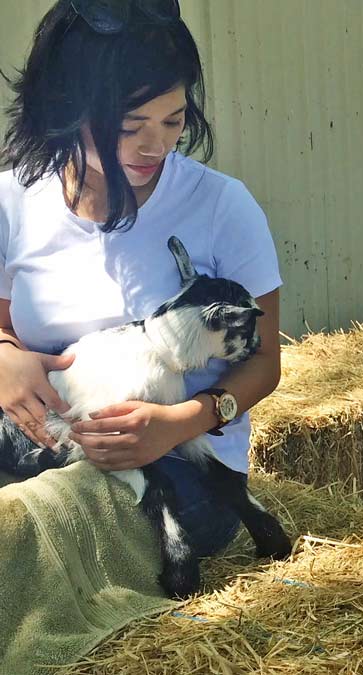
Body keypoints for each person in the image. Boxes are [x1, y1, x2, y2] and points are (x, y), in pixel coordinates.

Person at [0, 0, 282, 557]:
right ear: (67, 107)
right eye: (129, 127)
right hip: (47, 432)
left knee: (42, 530)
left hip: (176, 461)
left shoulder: (222, 206)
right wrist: (4, 353)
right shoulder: (13, 199)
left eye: (173, 121)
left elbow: (266, 361)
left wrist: (181, 421)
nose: (155, 146)